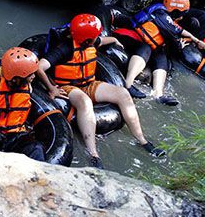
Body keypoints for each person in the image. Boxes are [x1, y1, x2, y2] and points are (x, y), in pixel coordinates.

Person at [36, 13, 164, 169]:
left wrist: (115, 39)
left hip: (89, 83)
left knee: (123, 93)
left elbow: (103, 40)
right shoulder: (65, 48)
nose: (96, 38)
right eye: (94, 36)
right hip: (67, 86)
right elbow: (39, 67)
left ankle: (142, 140)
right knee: (85, 102)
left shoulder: (91, 41)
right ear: (86, 38)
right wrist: (51, 88)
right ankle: (93, 153)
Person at [122, 0, 203, 104]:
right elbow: (172, 33)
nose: (182, 17)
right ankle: (128, 84)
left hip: (146, 43)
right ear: (175, 10)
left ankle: (158, 94)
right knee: (147, 47)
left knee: (161, 56)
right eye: (182, 13)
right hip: (131, 37)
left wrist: (195, 39)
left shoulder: (165, 16)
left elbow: (177, 30)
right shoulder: (160, 13)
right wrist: (180, 45)